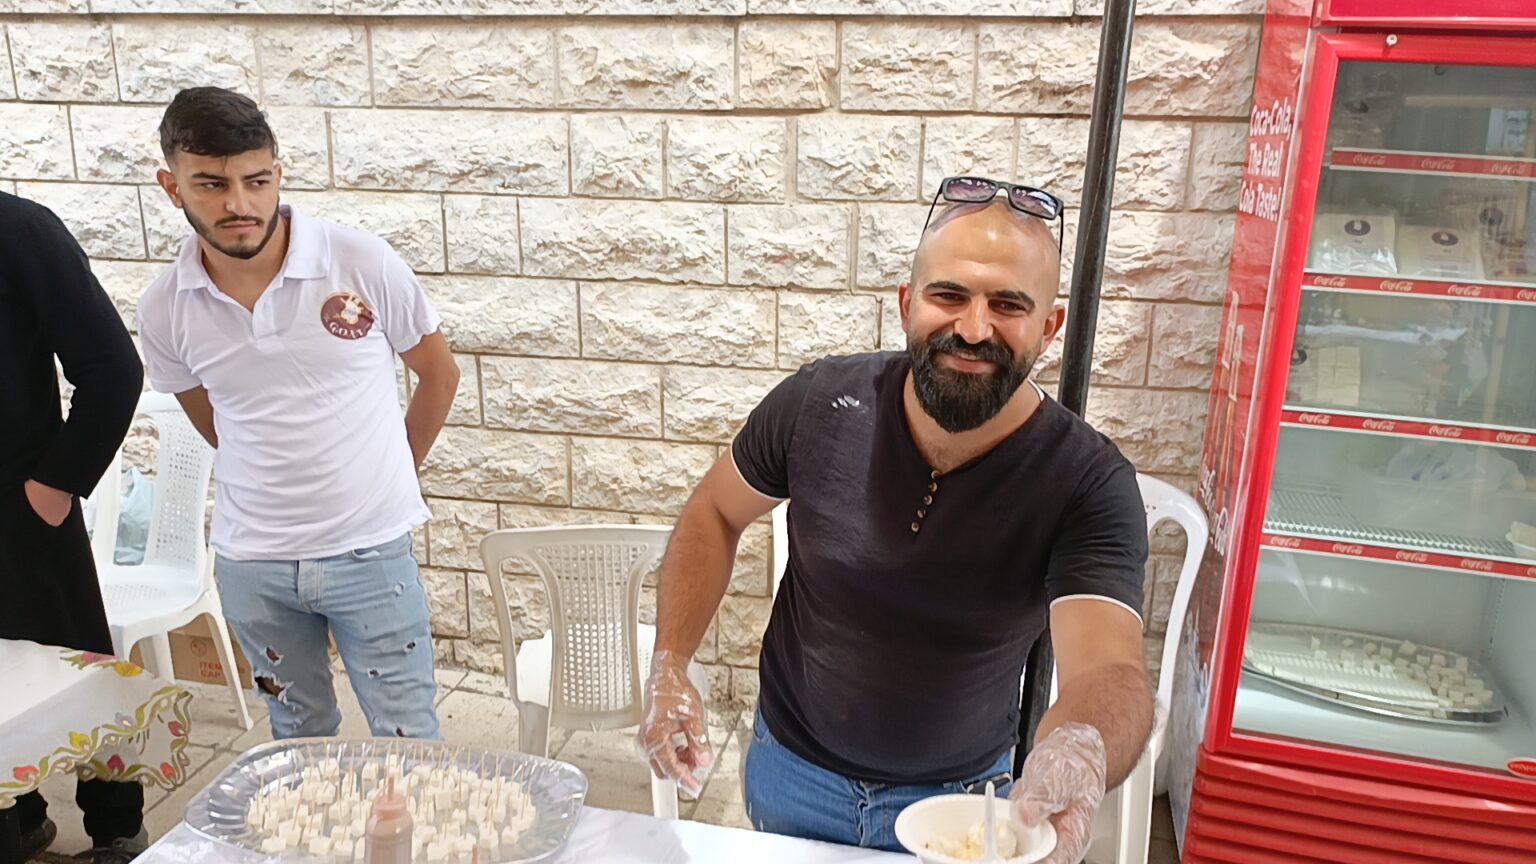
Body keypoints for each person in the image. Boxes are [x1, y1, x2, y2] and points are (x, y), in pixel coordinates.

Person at [637, 177, 1153, 863]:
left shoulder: (1087, 480)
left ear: (1049, 327)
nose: (973, 329)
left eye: (1008, 305)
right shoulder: (819, 403)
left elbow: (1109, 667)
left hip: (958, 806)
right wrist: (671, 662)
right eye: (949, 295)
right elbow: (713, 512)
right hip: (789, 773)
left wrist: (1082, 750)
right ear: (908, 303)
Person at [136, 87, 459, 741]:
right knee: (298, 741)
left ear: (278, 176)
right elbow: (214, 422)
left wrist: (390, 474)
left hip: (370, 552)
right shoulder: (165, 307)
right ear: (172, 187)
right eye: (212, 184)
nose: (238, 204)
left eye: (256, 181)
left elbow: (439, 374)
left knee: (409, 741)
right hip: (253, 566)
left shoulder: (360, 261)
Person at [0, 191, 148, 863]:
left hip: (19, 511)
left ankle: (118, 831)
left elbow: (113, 367)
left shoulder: (19, 230)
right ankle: (23, 817)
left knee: (79, 675)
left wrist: (53, 488)